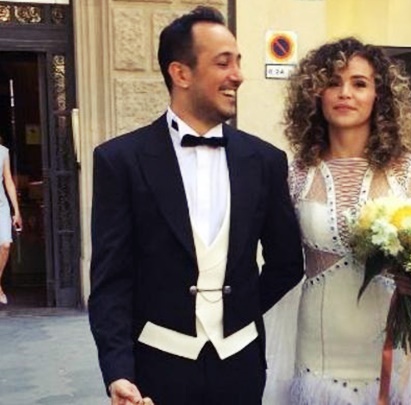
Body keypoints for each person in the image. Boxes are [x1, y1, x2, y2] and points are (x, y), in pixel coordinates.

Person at [88, 6, 304, 405]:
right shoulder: (120, 160)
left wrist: (238, 311)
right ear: (181, 73)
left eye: (238, 62)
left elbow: (288, 263)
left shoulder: (266, 161)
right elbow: (110, 280)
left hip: (241, 367)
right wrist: (118, 370)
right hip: (156, 367)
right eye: (223, 63)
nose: (238, 75)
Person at [269, 37, 411, 404]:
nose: (345, 93)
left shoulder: (410, 172)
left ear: (380, 96)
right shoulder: (296, 174)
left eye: (359, 83)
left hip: (394, 342)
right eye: (333, 82)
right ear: (316, 93)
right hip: (319, 343)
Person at [0, 136, 22, 305]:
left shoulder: (3, 152)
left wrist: (17, 211)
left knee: (6, 244)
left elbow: (8, 181)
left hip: (1, 205)